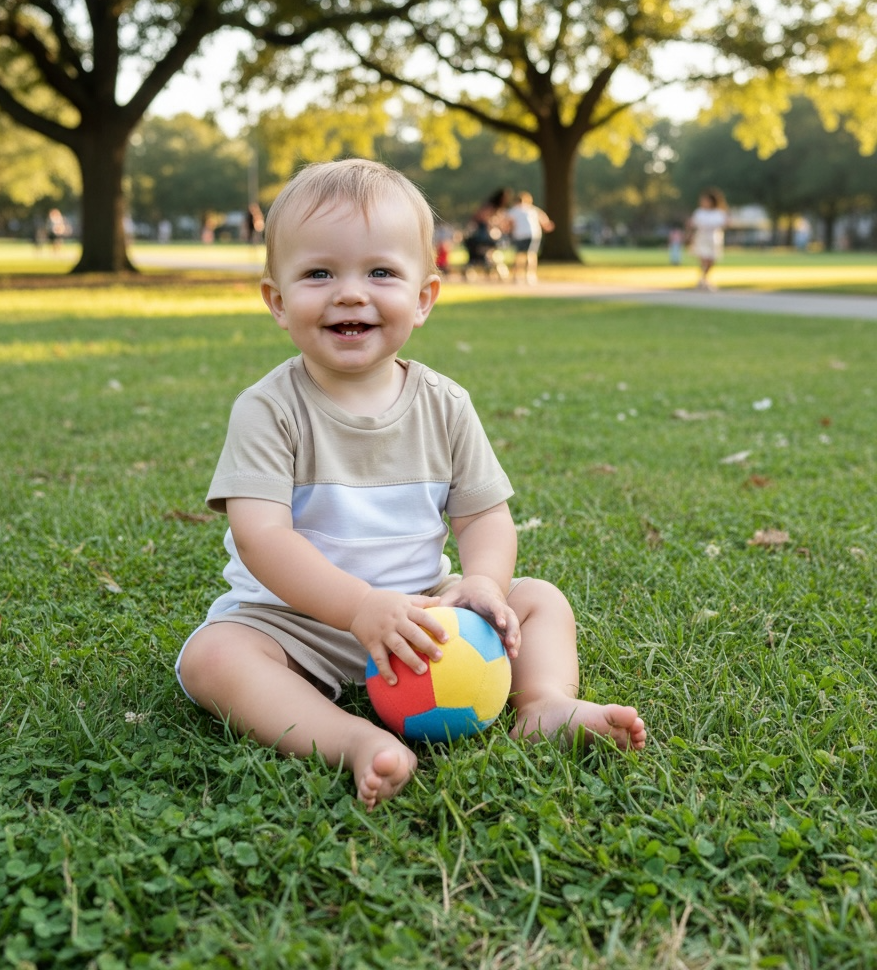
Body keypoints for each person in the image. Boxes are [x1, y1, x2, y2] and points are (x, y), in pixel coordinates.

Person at [175, 159, 646, 811]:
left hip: (425, 612)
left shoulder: (445, 404)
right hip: (295, 622)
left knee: (539, 598)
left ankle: (545, 704)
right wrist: (359, 608)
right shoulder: (268, 409)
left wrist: (479, 584)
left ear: (424, 297)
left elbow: (483, 517)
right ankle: (350, 738)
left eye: (380, 272)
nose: (349, 293)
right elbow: (260, 538)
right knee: (214, 657)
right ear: (277, 302)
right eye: (319, 273)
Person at [505, 191, 555, 284]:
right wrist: (547, 226)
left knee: (520, 255)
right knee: (531, 255)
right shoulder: (533, 209)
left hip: (520, 235)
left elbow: (507, 223)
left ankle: (518, 275)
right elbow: (544, 220)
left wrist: (507, 230)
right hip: (534, 234)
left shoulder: (514, 210)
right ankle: (530, 275)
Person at [685, 189, 729, 291]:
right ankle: (703, 280)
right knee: (704, 259)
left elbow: (724, 223)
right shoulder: (699, 212)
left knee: (711, 260)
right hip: (702, 238)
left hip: (713, 238)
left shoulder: (718, 213)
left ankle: (704, 279)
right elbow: (693, 224)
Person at [463, 188, 512, 280]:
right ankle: (496, 272)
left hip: (487, 235)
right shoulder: (490, 208)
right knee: (481, 254)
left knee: (490, 253)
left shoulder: (496, 210)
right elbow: (484, 219)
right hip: (482, 235)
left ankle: (496, 272)